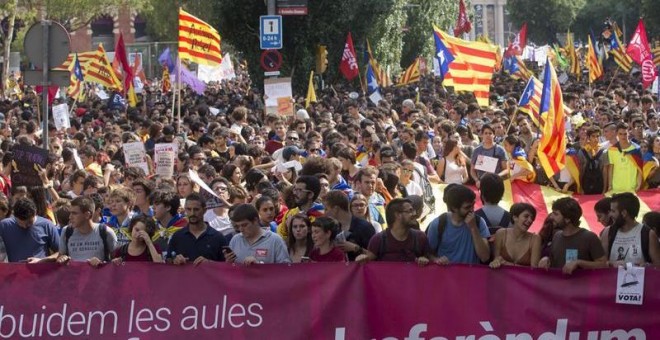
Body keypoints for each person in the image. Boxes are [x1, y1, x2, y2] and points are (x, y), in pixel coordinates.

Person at [539, 197, 607, 274]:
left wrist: (579, 262)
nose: (551, 217)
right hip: (558, 284)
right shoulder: (557, 236)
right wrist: (546, 259)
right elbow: (554, 259)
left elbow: (603, 264)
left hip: (581, 285)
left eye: (556, 214)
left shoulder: (589, 237)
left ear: (568, 219)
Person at [427, 184, 491, 264]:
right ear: (454, 208)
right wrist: (437, 260)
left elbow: (485, 257)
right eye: (467, 207)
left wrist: (473, 228)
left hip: (471, 275)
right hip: (446, 275)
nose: (472, 210)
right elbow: (428, 254)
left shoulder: (479, 222)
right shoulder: (438, 224)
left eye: (473, 205)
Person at [356, 198, 431, 264]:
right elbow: (368, 263)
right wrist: (362, 259)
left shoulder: (420, 237)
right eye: (410, 211)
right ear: (398, 215)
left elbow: (431, 261)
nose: (414, 214)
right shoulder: (378, 240)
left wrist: (425, 259)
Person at [600, 192, 660, 266]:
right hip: (613, 277)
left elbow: (657, 267)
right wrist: (612, 264)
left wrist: (647, 266)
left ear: (624, 213)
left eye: (613, 211)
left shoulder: (648, 234)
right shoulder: (607, 232)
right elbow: (601, 264)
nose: (610, 214)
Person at [167, 193, 228, 265]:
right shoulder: (177, 236)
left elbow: (225, 267)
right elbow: (168, 260)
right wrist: (175, 260)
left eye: (196, 209)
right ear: (185, 209)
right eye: (189, 209)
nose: (192, 213)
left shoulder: (218, 238)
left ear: (204, 210)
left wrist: (210, 264)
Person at [57, 196, 117, 267]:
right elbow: (60, 258)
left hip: (98, 277)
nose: (70, 217)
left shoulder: (105, 232)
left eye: (74, 213)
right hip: (74, 277)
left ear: (87, 215)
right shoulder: (66, 231)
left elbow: (116, 262)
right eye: (70, 213)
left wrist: (101, 264)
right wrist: (61, 259)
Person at [226, 203, 291, 265]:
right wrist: (229, 262)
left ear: (255, 220)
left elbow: (284, 269)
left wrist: (259, 265)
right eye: (238, 226)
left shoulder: (275, 240)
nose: (241, 229)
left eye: (244, 225)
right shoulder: (235, 240)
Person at [0, 197, 60, 263]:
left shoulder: (47, 225)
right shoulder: (4, 226)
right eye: (20, 223)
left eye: (29, 223)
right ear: (14, 216)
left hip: (41, 271)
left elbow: (60, 253)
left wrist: (42, 260)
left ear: (35, 213)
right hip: (14, 271)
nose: (25, 226)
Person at [323, 190, 375, 261]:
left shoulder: (365, 227)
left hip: (361, 270)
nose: (324, 213)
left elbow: (375, 256)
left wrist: (355, 248)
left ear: (336, 209)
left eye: (326, 209)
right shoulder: (333, 228)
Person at [490, 203, 542, 268]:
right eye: (526, 216)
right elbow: (495, 261)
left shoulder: (535, 239)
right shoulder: (501, 234)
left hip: (524, 278)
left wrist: (507, 263)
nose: (530, 220)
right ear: (515, 217)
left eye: (532, 218)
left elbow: (534, 269)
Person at [276, 175, 325, 239]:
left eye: (299, 190)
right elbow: (280, 237)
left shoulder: (320, 216)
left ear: (310, 194)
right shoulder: (290, 213)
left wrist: (291, 228)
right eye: (295, 189)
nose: (294, 193)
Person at [470, 124, 507, 188]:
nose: (488, 135)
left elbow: (506, 169)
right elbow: (472, 170)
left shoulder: (500, 150)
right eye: (486, 133)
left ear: (494, 135)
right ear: (482, 135)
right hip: (481, 184)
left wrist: (498, 176)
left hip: (496, 184)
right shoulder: (477, 150)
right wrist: (476, 180)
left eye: (490, 133)